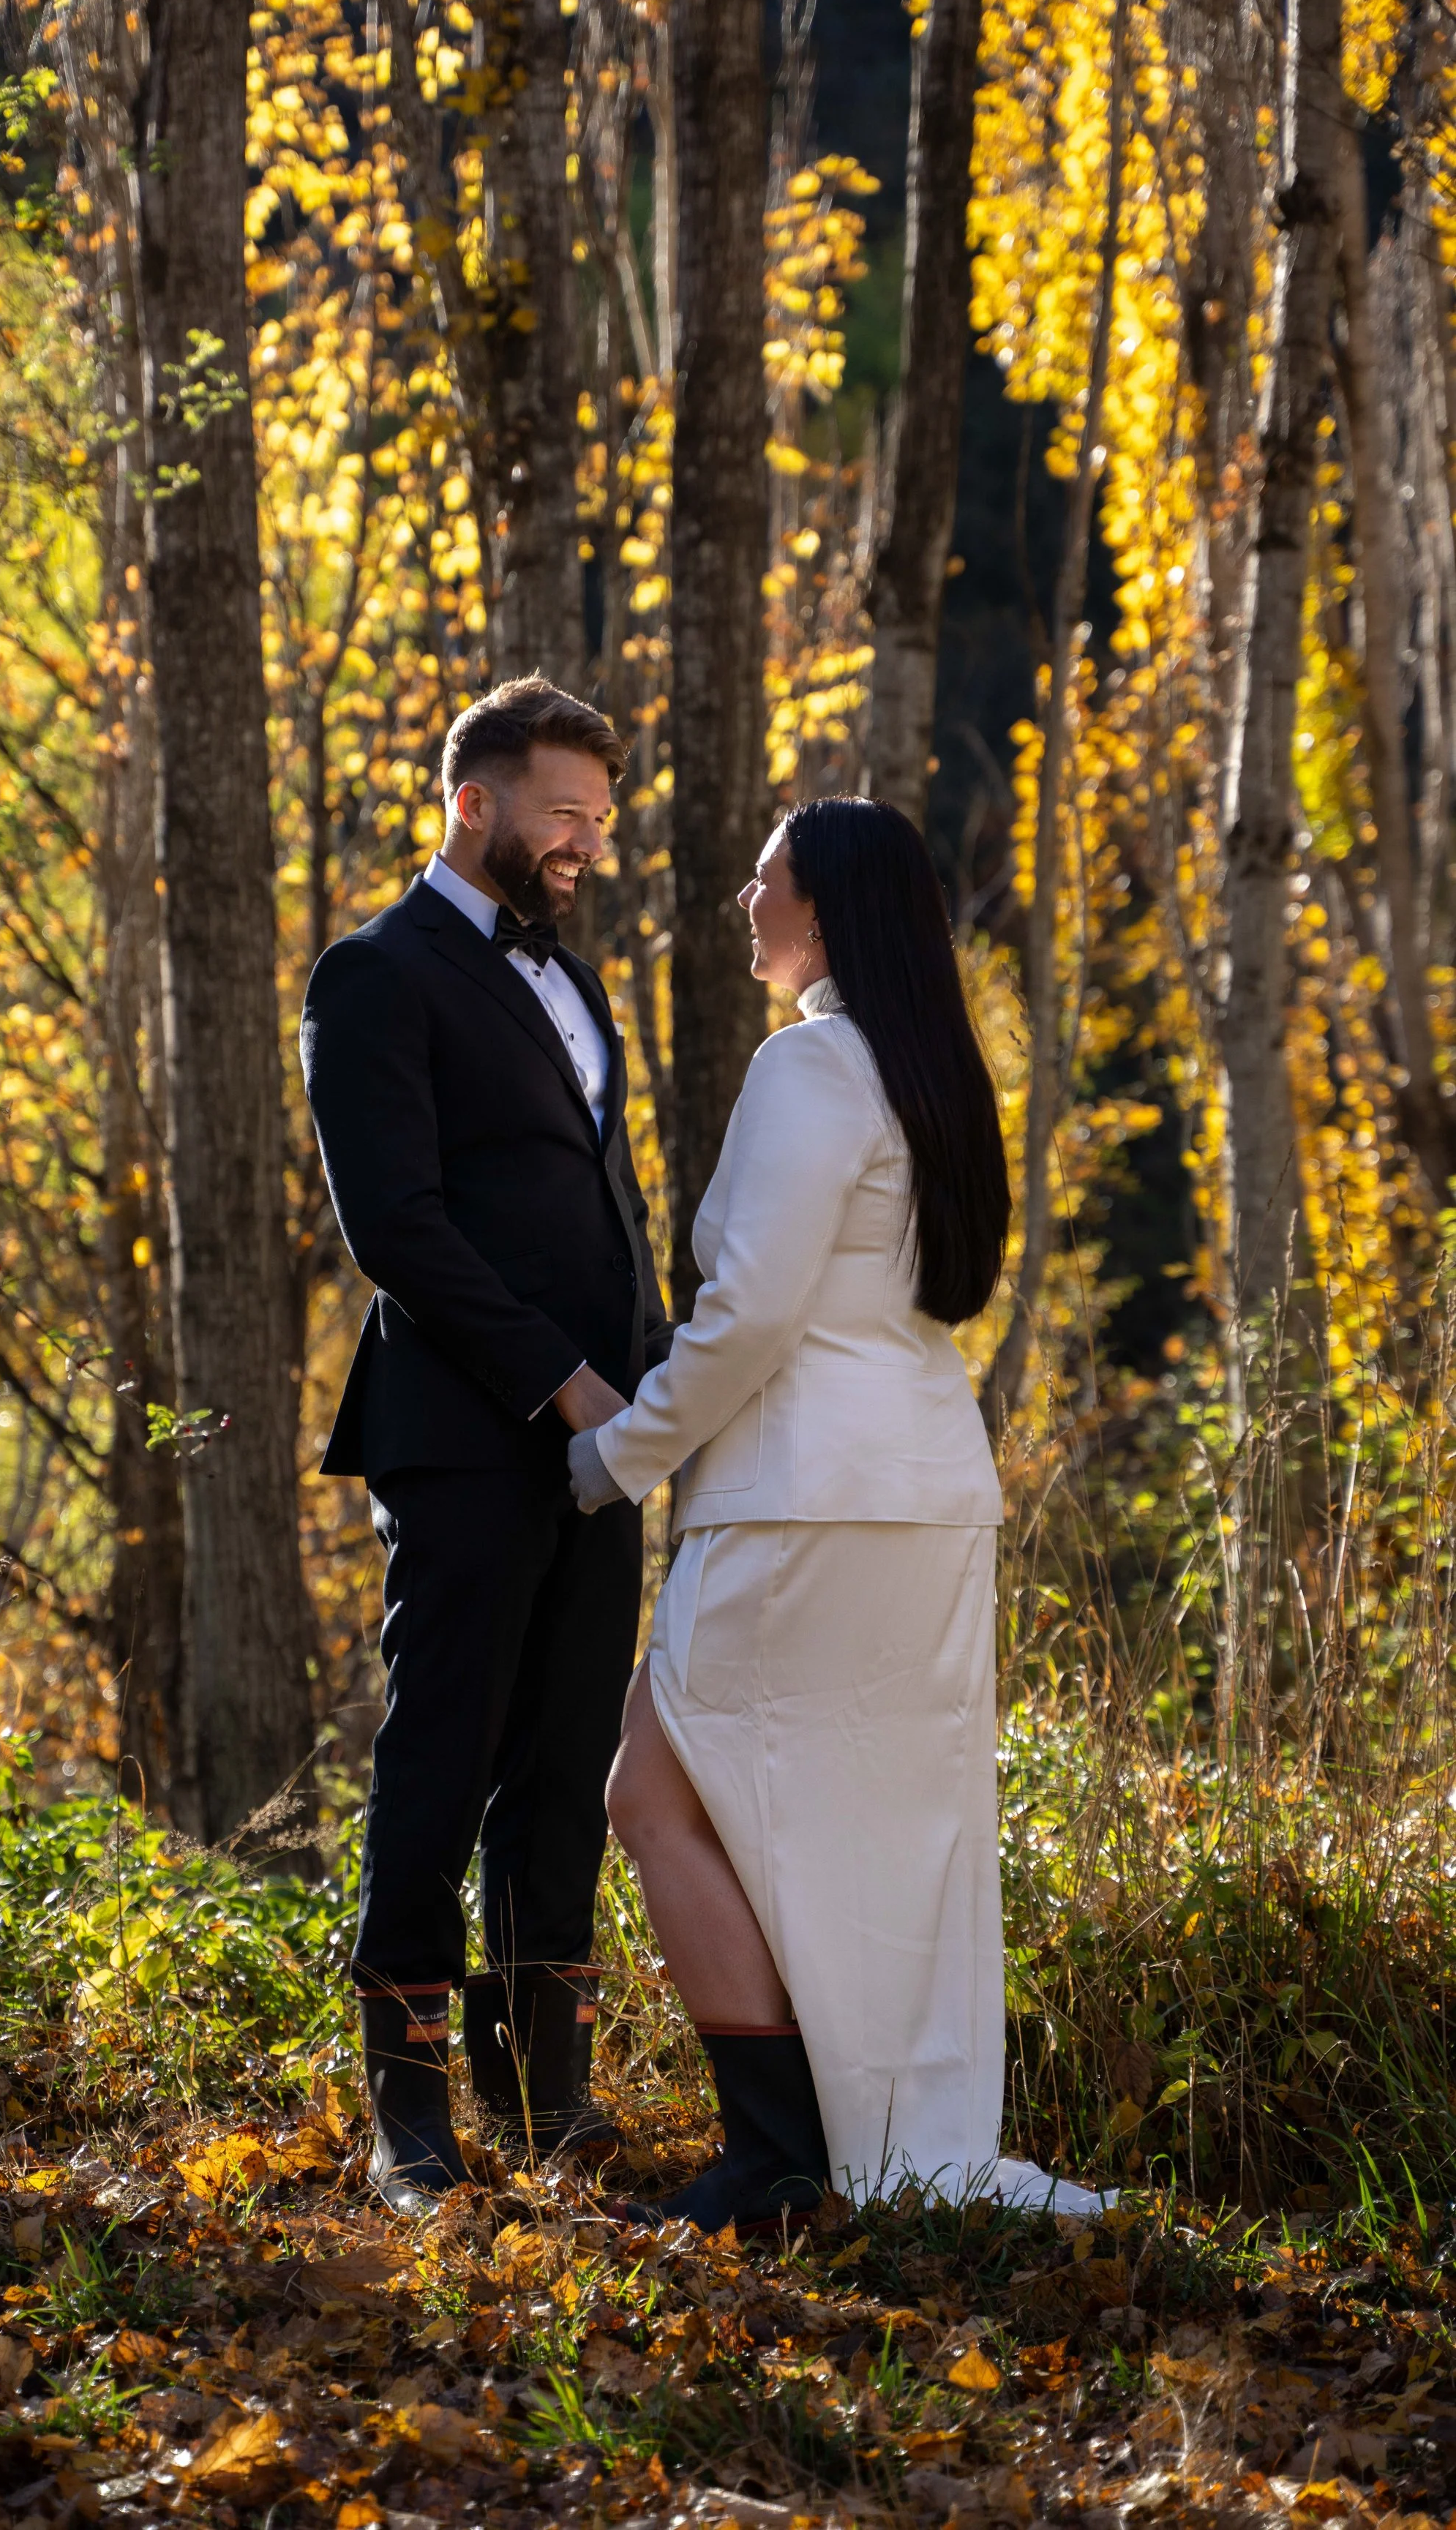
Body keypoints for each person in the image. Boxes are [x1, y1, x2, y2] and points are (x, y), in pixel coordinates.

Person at [571, 795, 1108, 2227]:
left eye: (763, 882)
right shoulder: (927, 1074)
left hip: (800, 1507)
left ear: (823, 910)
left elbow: (746, 1315)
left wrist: (617, 1455)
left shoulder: (809, 1069)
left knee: (645, 1786)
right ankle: (857, 2150)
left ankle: (776, 2157)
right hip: (921, 1497)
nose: (744, 906)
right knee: (879, 1837)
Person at [301, 677, 672, 2215]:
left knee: (565, 1762)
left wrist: (653, 1390)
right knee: (439, 1759)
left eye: (599, 815)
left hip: (605, 1446)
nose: (587, 840)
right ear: (474, 802)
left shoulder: (576, 987)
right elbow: (398, 1228)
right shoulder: (373, 973)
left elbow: (604, 1213)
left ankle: (549, 2095)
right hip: (463, 1436)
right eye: (564, 813)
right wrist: (564, 1386)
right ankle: (408, 2121)